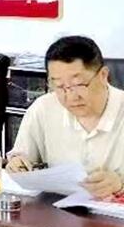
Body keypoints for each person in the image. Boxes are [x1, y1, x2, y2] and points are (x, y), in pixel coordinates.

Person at [7, 36, 124, 199]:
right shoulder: (44, 108)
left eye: (78, 85)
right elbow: (21, 157)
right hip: (57, 211)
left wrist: (120, 183)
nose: (70, 96)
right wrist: (17, 164)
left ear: (103, 75)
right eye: (59, 86)